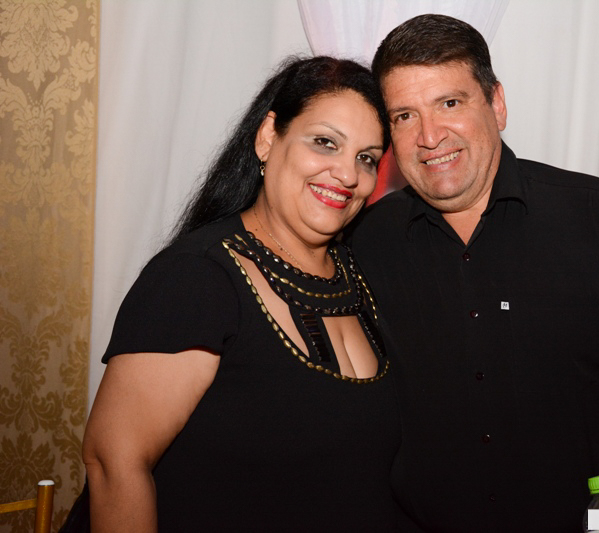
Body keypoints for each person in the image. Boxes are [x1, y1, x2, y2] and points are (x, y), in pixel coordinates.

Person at [347, 14, 599, 532]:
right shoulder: (365, 243)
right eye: (405, 115)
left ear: (496, 103)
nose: (429, 136)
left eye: (450, 103)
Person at [82, 56, 399, 532]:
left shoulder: (364, 272)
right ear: (268, 136)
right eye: (325, 142)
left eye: (366, 158)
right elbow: (113, 463)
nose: (347, 175)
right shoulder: (197, 277)